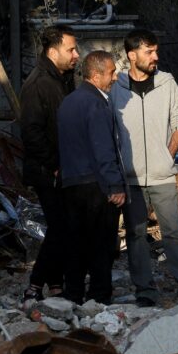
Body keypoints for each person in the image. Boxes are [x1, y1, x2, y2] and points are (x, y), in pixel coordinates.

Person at [110, 29, 178, 307]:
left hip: (162, 176)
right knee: (136, 235)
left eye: (156, 51)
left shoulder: (167, 82)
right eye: (149, 52)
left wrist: (167, 154)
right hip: (131, 178)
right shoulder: (116, 87)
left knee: (173, 231)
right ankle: (145, 292)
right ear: (132, 55)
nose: (155, 57)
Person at [57, 51, 126, 305]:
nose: (115, 78)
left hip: (71, 183)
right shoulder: (96, 104)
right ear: (96, 76)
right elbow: (103, 148)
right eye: (111, 73)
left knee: (76, 242)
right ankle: (99, 295)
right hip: (95, 184)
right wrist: (115, 185)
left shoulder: (68, 102)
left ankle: (73, 293)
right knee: (101, 243)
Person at [18, 25, 78, 305]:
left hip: (62, 168)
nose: (76, 55)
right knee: (60, 227)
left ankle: (55, 283)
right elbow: (31, 132)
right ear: (53, 52)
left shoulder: (63, 79)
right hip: (48, 171)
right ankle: (35, 285)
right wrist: (54, 164)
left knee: (63, 227)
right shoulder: (39, 83)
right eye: (71, 49)